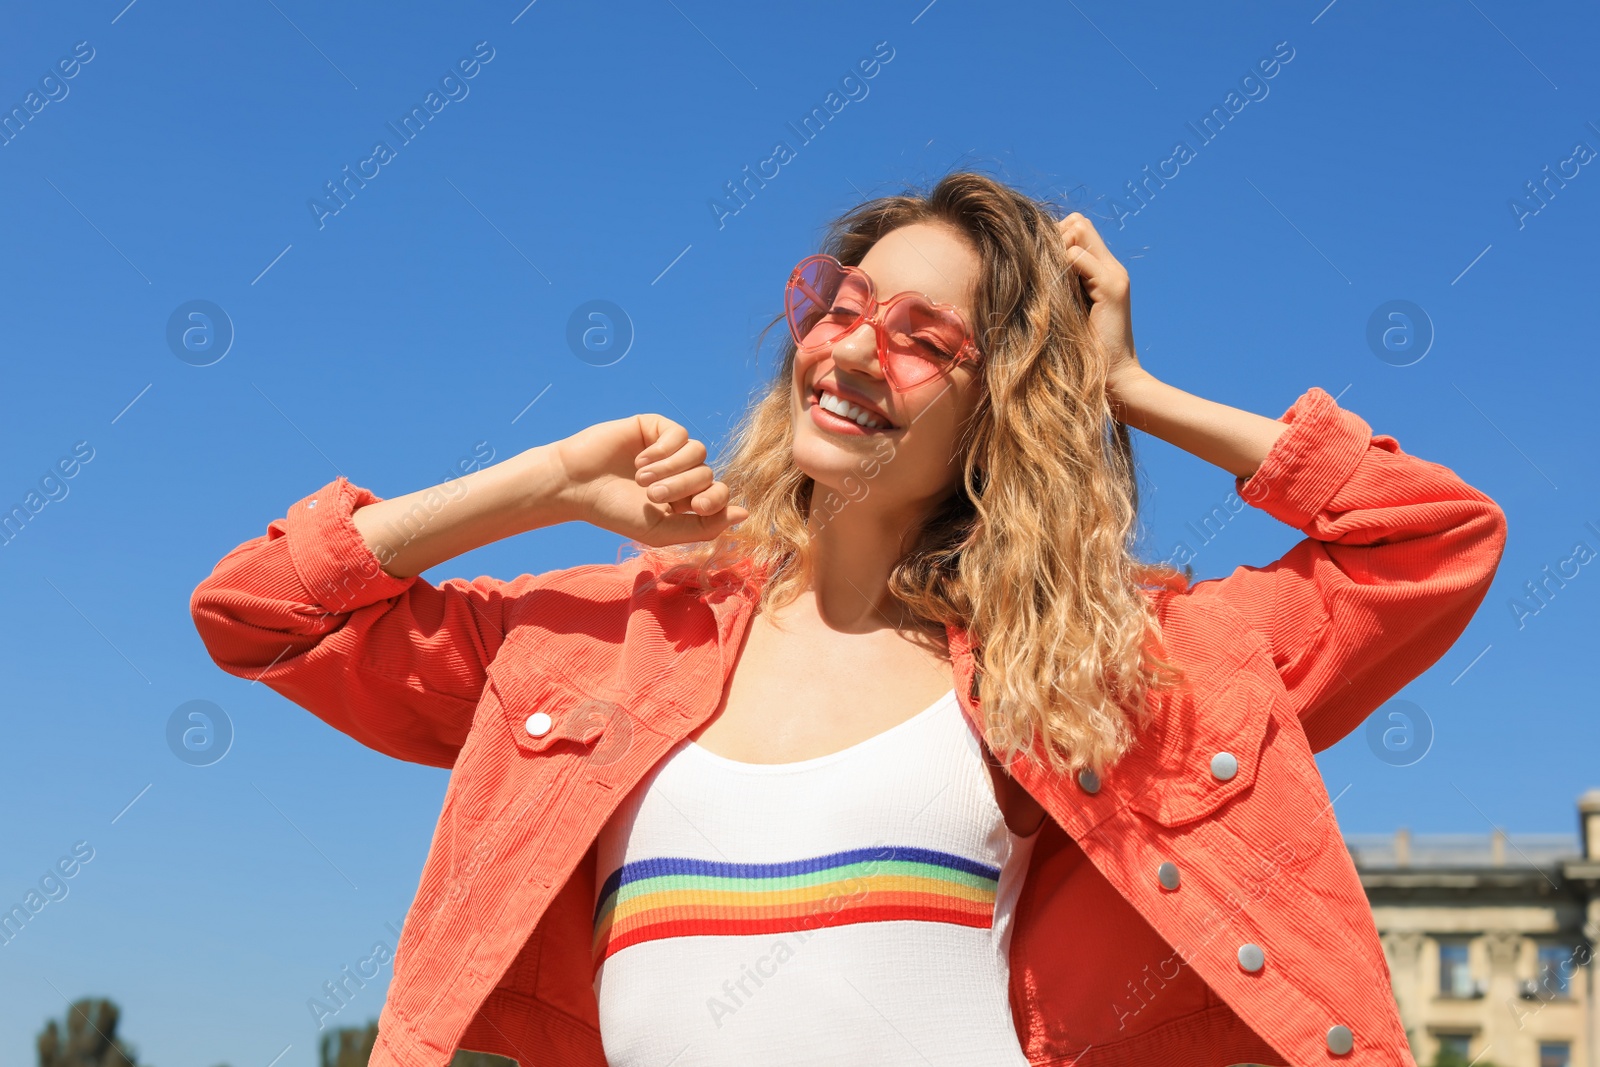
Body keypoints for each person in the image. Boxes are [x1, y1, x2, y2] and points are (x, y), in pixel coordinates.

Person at [190, 171, 1506, 1066]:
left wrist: (1134, 389)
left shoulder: (1103, 667)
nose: (857, 350)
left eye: (928, 338)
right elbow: (260, 618)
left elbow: (1430, 542)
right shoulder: (594, 644)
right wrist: (537, 487)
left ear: (1009, 407)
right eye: (845, 303)